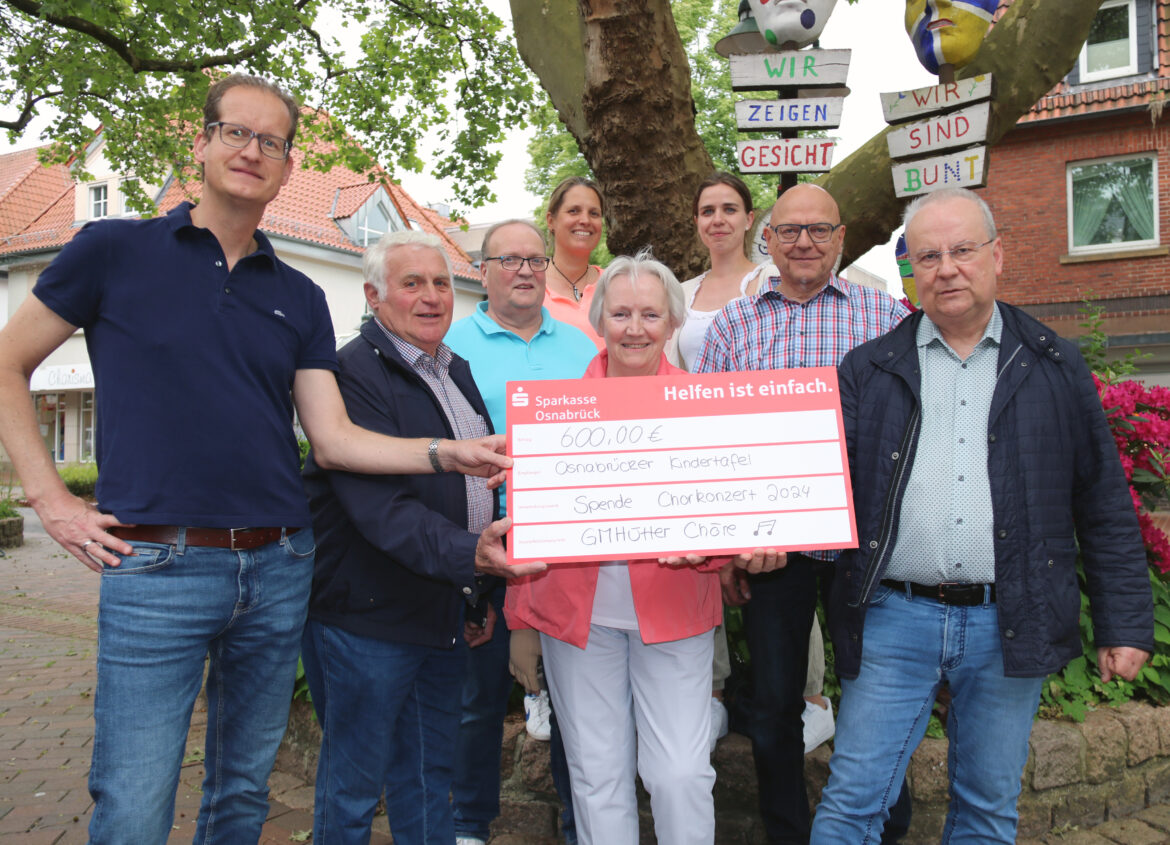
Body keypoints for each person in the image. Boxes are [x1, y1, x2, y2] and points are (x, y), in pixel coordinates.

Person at [0, 75, 508, 845]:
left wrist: (449, 453)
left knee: (241, 796)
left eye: (271, 141)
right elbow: (8, 364)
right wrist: (52, 499)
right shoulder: (111, 250)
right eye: (236, 132)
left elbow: (333, 440)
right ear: (201, 143)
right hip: (155, 565)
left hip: (277, 566)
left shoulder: (299, 294)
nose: (251, 150)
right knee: (135, 804)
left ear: (288, 165)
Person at [812, 187, 1154, 844]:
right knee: (851, 800)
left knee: (988, 809)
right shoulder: (869, 368)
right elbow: (828, 488)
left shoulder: (1054, 364)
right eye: (928, 256)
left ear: (997, 256)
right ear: (912, 270)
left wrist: (1125, 624)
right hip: (893, 618)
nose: (946, 269)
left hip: (1010, 617)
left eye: (962, 250)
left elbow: (1104, 502)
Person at [506, 250, 786, 845]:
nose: (635, 329)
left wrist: (720, 551)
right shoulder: (553, 411)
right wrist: (520, 622)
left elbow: (731, 516)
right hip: (576, 619)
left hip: (673, 611)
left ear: (673, 322)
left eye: (651, 315)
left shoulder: (707, 406)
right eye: (621, 314)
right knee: (596, 773)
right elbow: (529, 523)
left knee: (679, 772)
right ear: (600, 320)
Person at [299, 230, 546, 844]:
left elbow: (468, 490)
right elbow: (380, 508)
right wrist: (473, 560)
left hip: (439, 611)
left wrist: (473, 596)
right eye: (411, 284)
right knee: (354, 787)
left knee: (431, 777)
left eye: (440, 282)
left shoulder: (453, 369)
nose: (432, 296)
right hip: (367, 620)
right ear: (374, 296)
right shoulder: (351, 372)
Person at [693, 183, 909, 845]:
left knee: (879, 692)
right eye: (789, 230)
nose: (804, 242)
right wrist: (727, 548)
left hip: (867, 544)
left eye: (819, 229)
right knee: (775, 701)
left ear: (841, 237)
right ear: (768, 240)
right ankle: (787, 832)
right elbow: (709, 443)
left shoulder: (887, 316)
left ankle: (884, 826)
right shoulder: (733, 325)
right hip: (771, 547)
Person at [667, 172, 833, 755]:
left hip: (778, 455)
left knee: (792, 575)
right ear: (696, 221)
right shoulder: (680, 292)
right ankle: (713, 693)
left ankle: (810, 698)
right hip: (706, 448)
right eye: (707, 210)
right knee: (706, 572)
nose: (717, 219)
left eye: (729, 209)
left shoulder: (770, 281)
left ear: (750, 221)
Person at [444, 219, 597, 845]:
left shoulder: (584, 346)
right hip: (485, 538)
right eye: (510, 260)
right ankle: (467, 824)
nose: (526, 270)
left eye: (536, 260)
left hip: (570, 544)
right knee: (477, 696)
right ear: (484, 271)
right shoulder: (448, 345)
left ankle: (580, 826)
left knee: (576, 700)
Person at [541, 176, 606, 347]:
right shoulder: (529, 285)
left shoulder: (616, 285)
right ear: (551, 221)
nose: (585, 220)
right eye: (574, 211)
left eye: (594, 213)